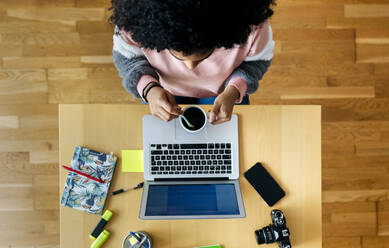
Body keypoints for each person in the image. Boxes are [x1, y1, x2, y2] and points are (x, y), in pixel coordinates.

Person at [110, 0, 275, 124]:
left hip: (226, 91)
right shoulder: (133, 23)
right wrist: (149, 88)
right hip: (162, 90)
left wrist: (234, 90)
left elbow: (256, 62)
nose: (191, 67)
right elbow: (128, 59)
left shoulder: (253, 26)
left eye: (203, 54)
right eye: (180, 55)